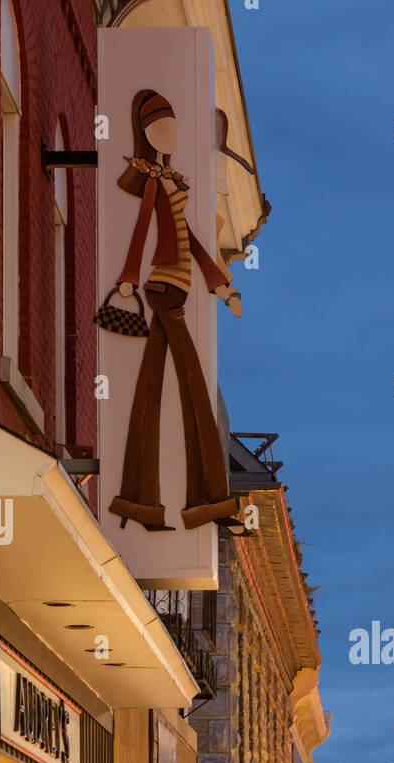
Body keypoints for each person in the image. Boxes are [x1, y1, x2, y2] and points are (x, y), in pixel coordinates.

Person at [105, 90, 241, 532]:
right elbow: (143, 230)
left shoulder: (173, 180)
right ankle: (212, 503)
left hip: (177, 288)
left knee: (149, 391)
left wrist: (220, 287)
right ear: (146, 133)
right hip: (163, 289)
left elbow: (193, 243)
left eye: (175, 123)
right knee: (194, 389)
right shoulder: (150, 179)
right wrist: (127, 277)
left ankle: (138, 504)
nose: (172, 132)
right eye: (162, 125)